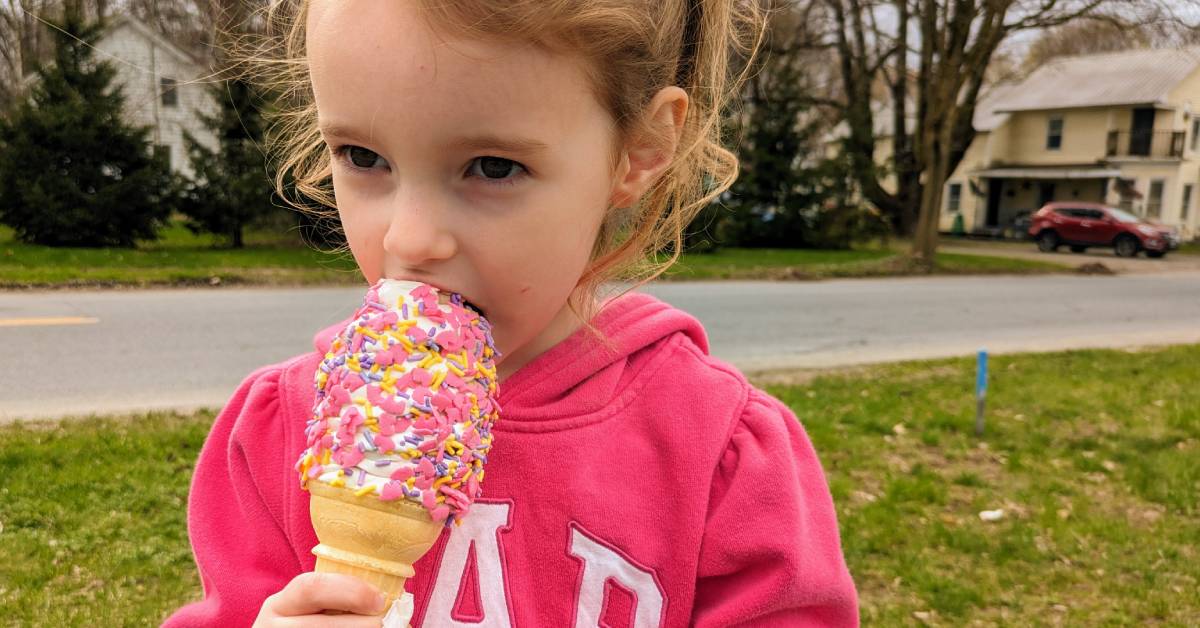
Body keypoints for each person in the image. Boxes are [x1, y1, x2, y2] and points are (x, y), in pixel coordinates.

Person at [163, 0, 858, 625]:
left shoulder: (722, 461)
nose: (409, 239)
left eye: (492, 167)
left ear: (639, 150)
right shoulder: (278, 436)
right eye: (362, 156)